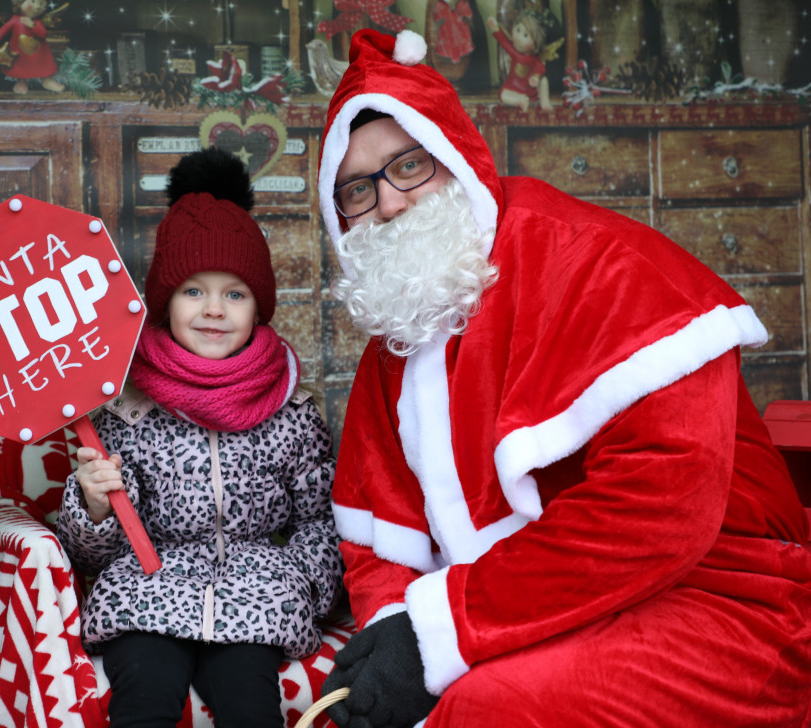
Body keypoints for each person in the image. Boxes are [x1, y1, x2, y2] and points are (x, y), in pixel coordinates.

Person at [315, 28, 811, 728]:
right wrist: (400, 636)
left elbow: (664, 502)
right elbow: (375, 541)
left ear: (457, 158)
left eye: (408, 167)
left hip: (723, 596)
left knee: (489, 707)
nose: (389, 205)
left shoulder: (597, 266)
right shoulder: (392, 351)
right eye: (357, 191)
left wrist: (442, 631)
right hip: (534, 617)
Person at [56, 148, 343, 728]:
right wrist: (92, 503)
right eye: (193, 291)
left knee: (248, 702)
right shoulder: (128, 405)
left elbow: (321, 517)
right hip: (149, 589)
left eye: (234, 294)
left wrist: (302, 585)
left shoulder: (290, 406)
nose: (214, 309)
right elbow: (94, 553)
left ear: (260, 305)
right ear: (165, 300)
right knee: (144, 694)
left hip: (257, 595)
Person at [0, 0, 64, 94]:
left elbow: (43, 34)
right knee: (20, 66)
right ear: (19, 4)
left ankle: (47, 81)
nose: (37, 7)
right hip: (19, 51)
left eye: (40, 4)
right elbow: (3, 30)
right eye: (32, 1)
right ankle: (21, 82)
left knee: (44, 65)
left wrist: (32, 25)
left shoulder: (37, 22)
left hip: (40, 52)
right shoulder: (15, 20)